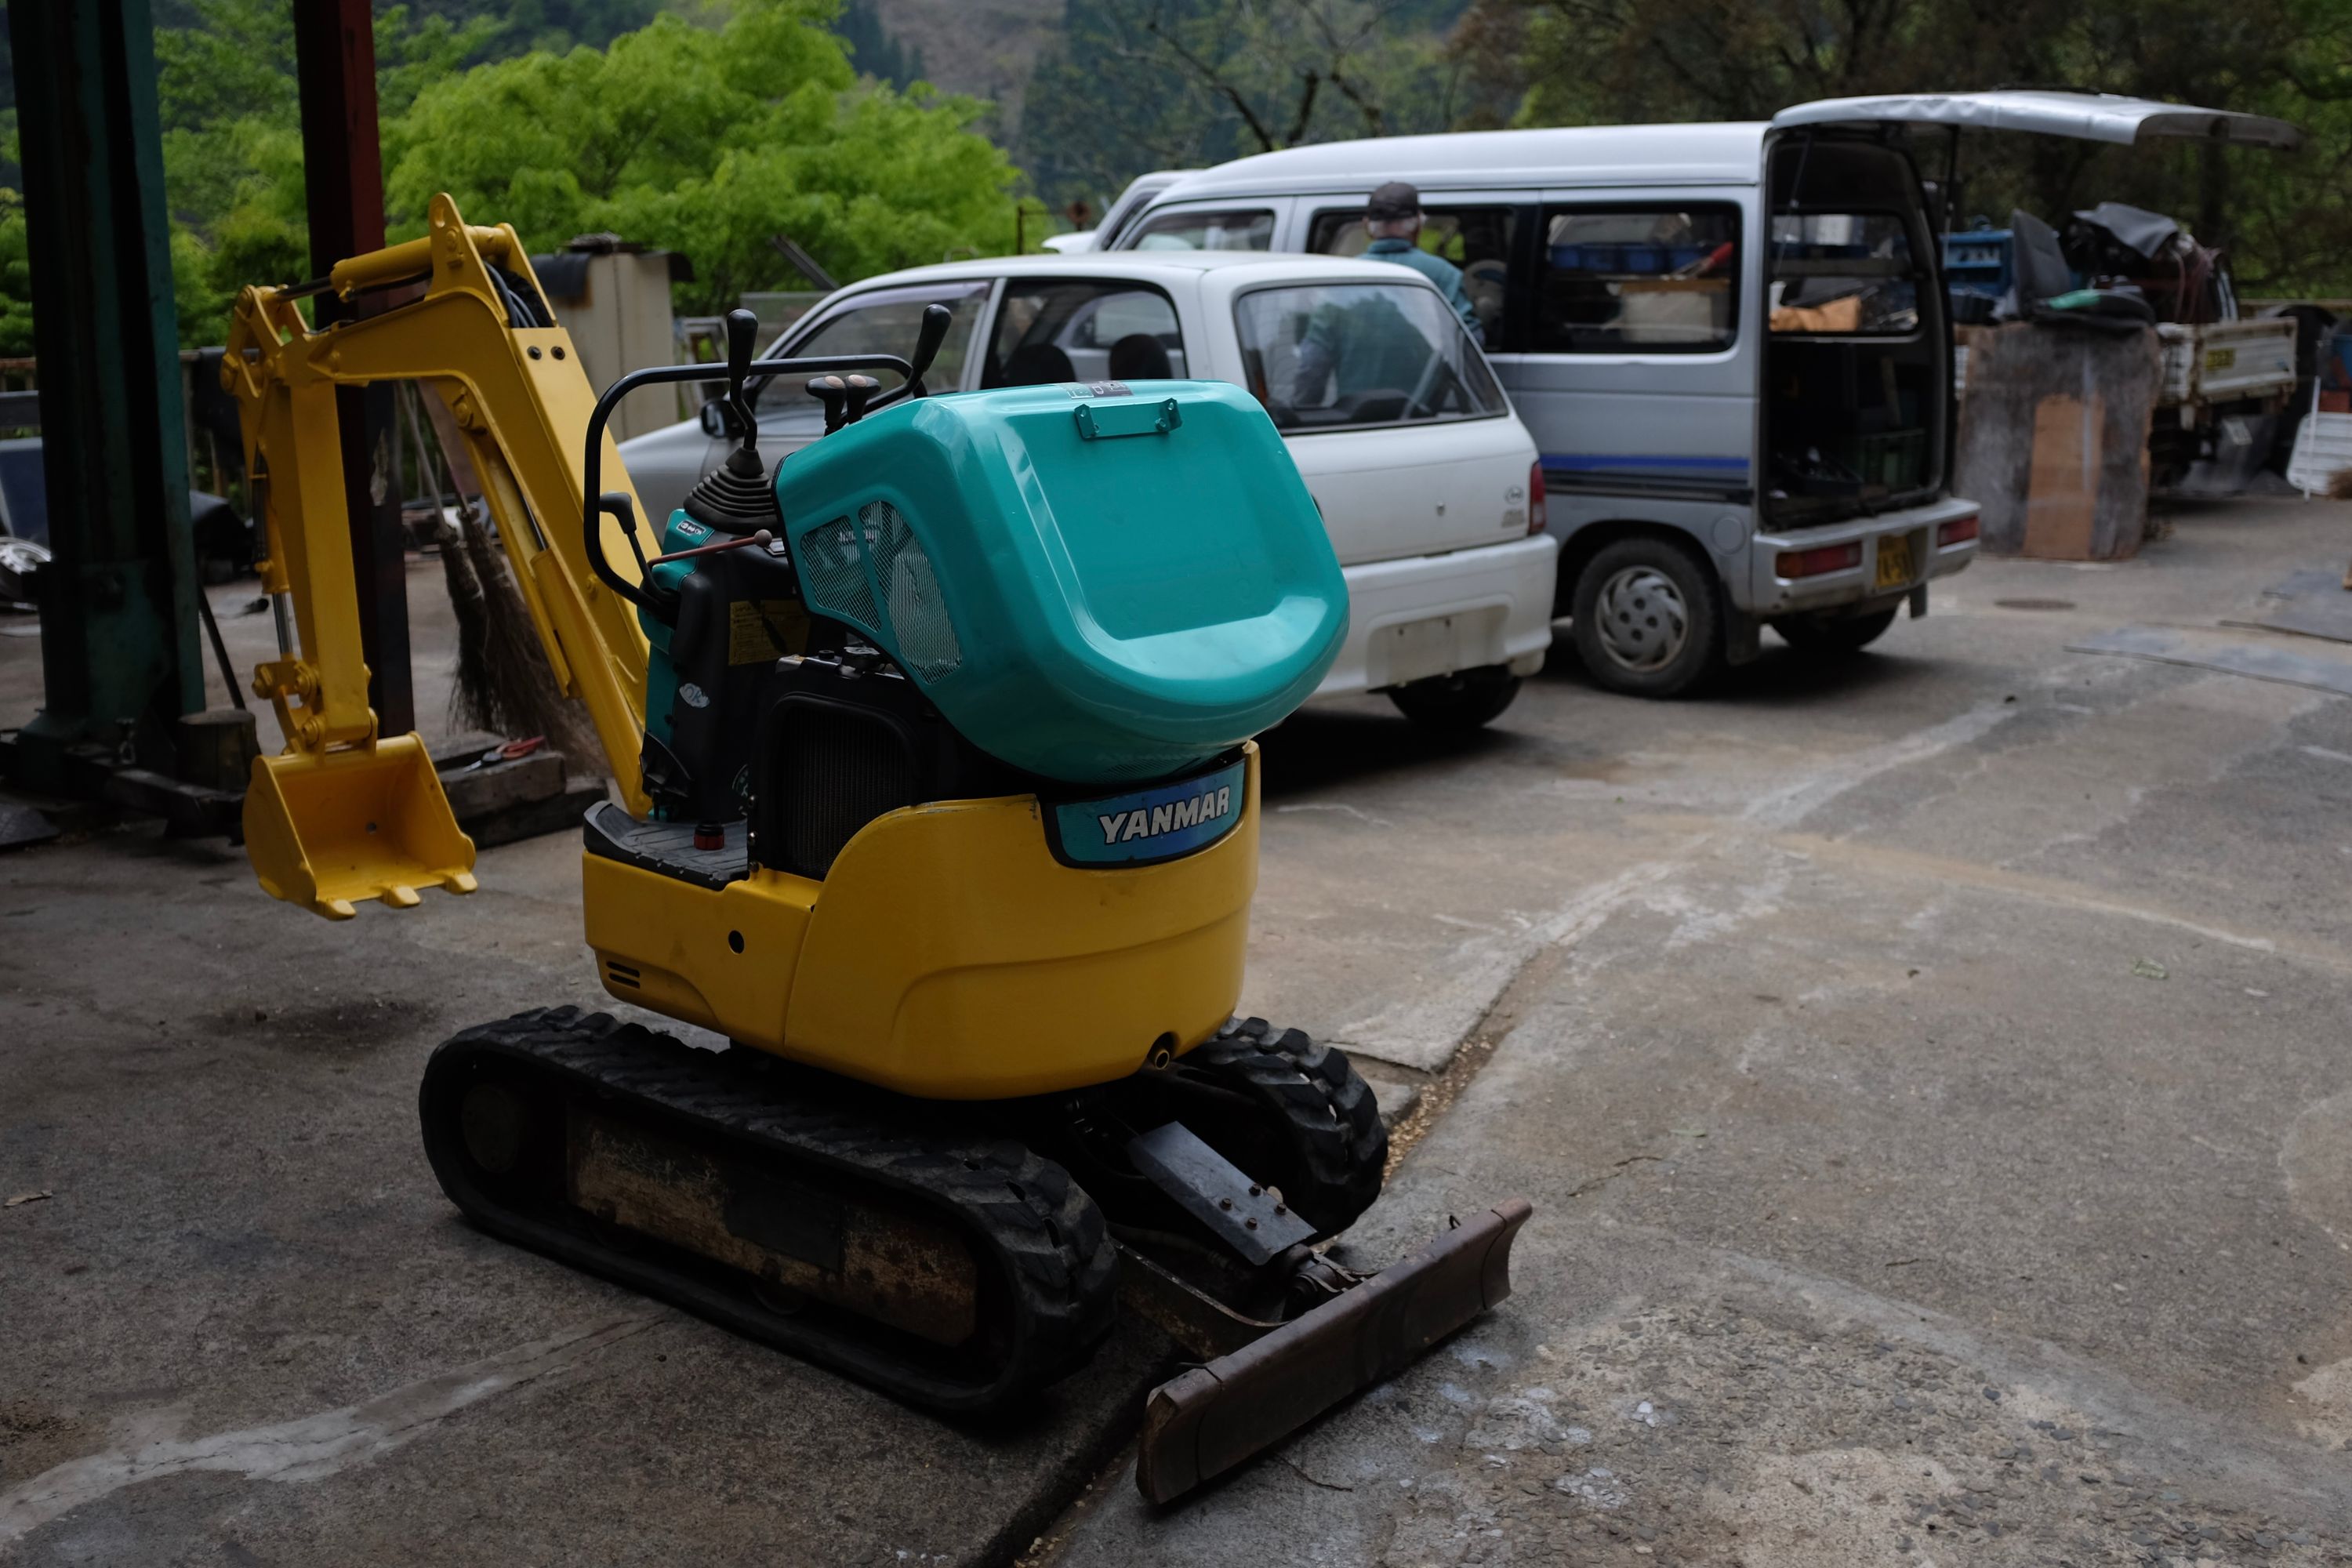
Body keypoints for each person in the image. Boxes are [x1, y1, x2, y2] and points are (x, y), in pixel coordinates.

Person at [1359, 181, 1483, 344]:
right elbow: (1470, 340)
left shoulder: (1344, 276)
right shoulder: (1444, 274)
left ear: (1367, 225)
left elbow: (1317, 353)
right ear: (1418, 223)